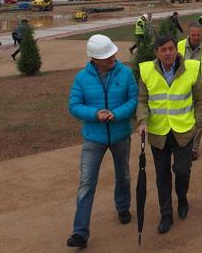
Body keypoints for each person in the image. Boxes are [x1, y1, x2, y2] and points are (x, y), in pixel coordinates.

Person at [67, 35, 138, 248]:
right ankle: (80, 232)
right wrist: (95, 113)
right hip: (93, 138)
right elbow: (74, 105)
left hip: (120, 134)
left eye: (112, 54)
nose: (112, 59)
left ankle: (123, 207)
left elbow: (134, 100)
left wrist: (116, 113)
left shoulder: (125, 73)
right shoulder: (82, 78)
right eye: (106, 57)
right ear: (94, 59)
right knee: (87, 183)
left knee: (123, 175)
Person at [137, 35, 202, 234]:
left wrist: (197, 123)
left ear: (176, 49)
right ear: (156, 53)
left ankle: (182, 198)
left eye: (171, 49)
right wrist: (142, 121)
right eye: (163, 50)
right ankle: (166, 214)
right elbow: (142, 100)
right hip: (158, 133)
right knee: (162, 175)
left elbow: (200, 99)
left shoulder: (191, 68)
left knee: (182, 171)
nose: (168, 53)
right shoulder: (146, 71)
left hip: (184, 131)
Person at [177, 22, 202, 160]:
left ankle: (194, 148)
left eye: (199, 35)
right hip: (184, 90)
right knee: (184, 118)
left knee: (199, 121)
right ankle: (184, 144)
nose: (196, 38)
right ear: (189, 34)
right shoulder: (180, 46)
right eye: (193, 35)